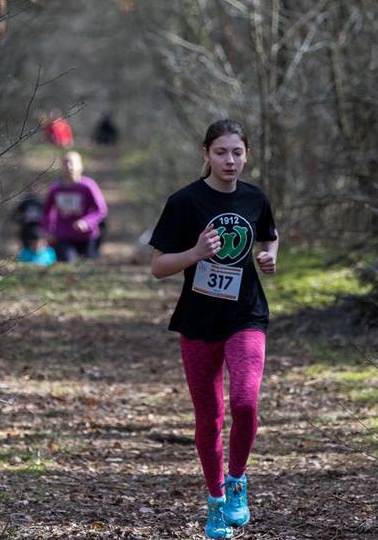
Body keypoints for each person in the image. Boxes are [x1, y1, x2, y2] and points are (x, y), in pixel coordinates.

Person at [148, 120, 278, 538]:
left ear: (247, 155)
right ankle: (216, 502)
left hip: (246, 315)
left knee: (245, 402)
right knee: (209, 418)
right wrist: (196, 252)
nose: (230, 160)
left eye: (237, 152)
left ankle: (237, 480)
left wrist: (268, 256)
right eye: (221, 152)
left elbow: (269, 237)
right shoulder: (185, 202)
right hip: (199, 322)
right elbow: (158, 267)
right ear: (205, 153)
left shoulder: (255, 198)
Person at [40, 151, 108, 262]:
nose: (69, 167)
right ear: (61, 167)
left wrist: (86, 222)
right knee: (69, 264)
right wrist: (48, 230)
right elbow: (47, 211)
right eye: (65, 163)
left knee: (88, 267)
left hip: (87, 237)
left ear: (80, 166)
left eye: (72, 163)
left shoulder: (88, 186)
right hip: (63, 236)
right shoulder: (55, 189)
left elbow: (100, 210)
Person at [14, 195, 56, 266]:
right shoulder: (24, 203)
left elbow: (49, 216)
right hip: (26, 231)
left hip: (39, 231)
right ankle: (28, 261)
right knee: (26, 252)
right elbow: (14, 216)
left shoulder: (41, 203)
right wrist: (23, 220)